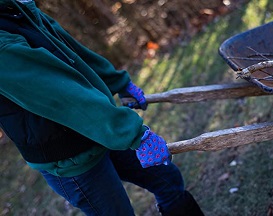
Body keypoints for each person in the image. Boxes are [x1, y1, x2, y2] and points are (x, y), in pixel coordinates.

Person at [0, 0, 204, 215]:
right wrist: (133, 134)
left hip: (102, 129)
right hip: (69, 155)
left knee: (168, 182)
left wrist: (117, 81)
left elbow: (69, 50)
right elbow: (62, 96)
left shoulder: (15, 8)